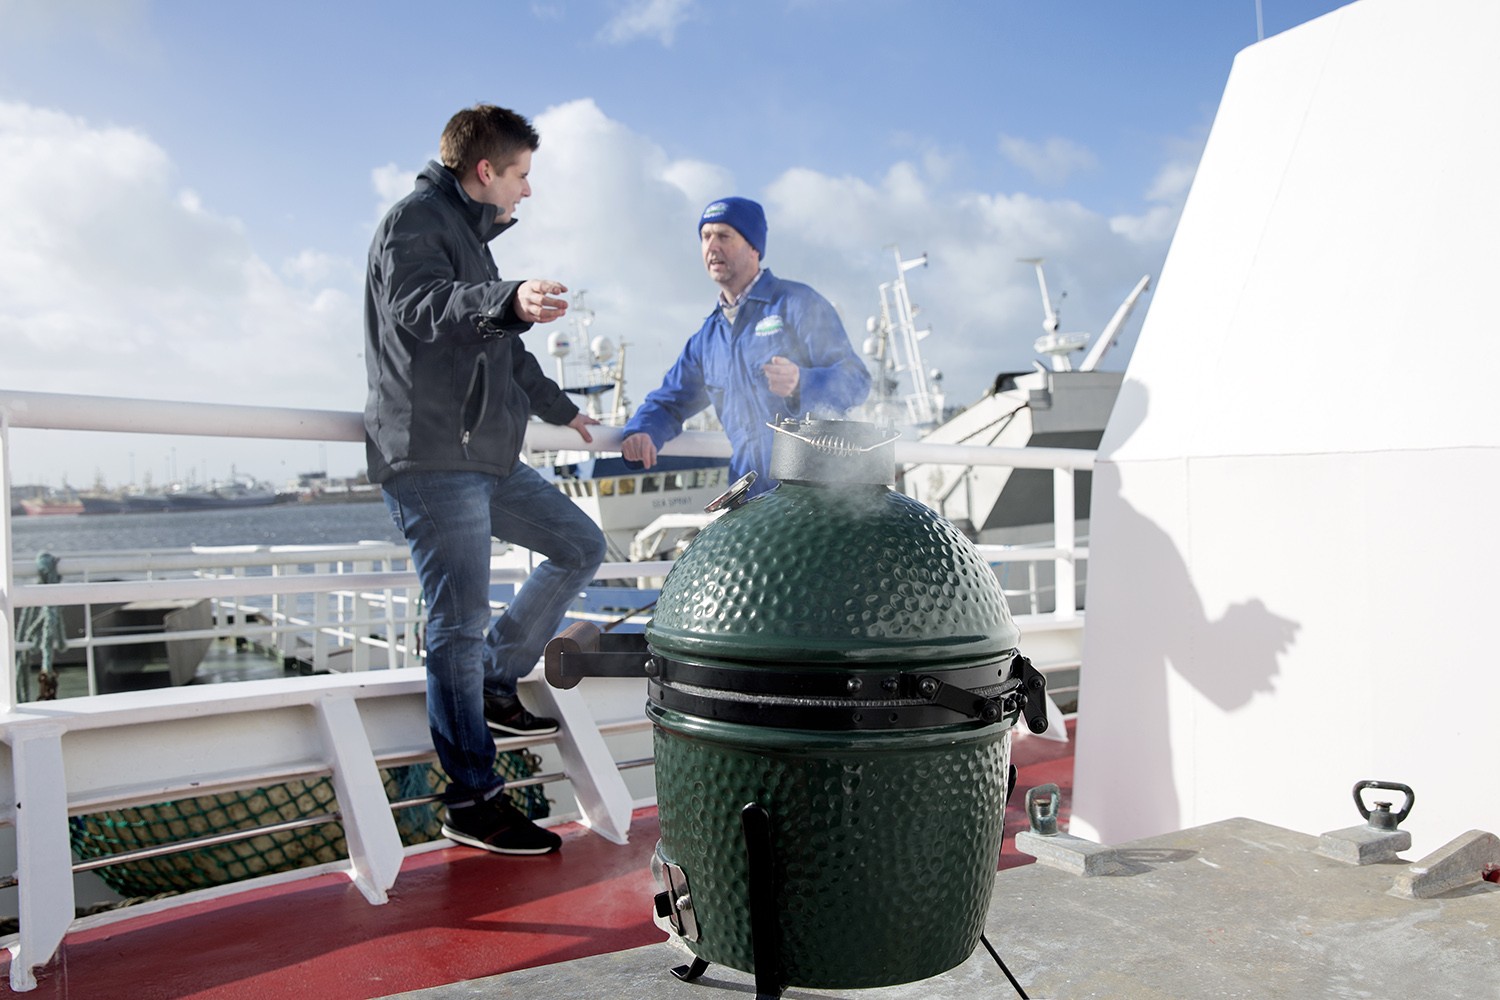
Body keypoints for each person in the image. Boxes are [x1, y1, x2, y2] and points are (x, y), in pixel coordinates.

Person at [363, 104, 606, 856]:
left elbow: (504, 351)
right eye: (521, 175)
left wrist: (566, 413)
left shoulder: (471, 240)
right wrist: (509, 297)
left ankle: (498, 682)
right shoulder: (414, 222)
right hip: (433, 459)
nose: (527, 191)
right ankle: (471, 800)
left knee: (580, 545)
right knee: (458, 624)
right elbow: (421, 308)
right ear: (484, 170)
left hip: (486, 459)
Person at [620, 197, 871, 497]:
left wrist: (802, 383)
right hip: (750, 499)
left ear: (754, 247)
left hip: (815, 495)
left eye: (724, 236)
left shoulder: (797, 304)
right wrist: (643, 431)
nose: (712, 246)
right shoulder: (707, 340)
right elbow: (669, 403)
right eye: (705, 237)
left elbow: (856, 380)